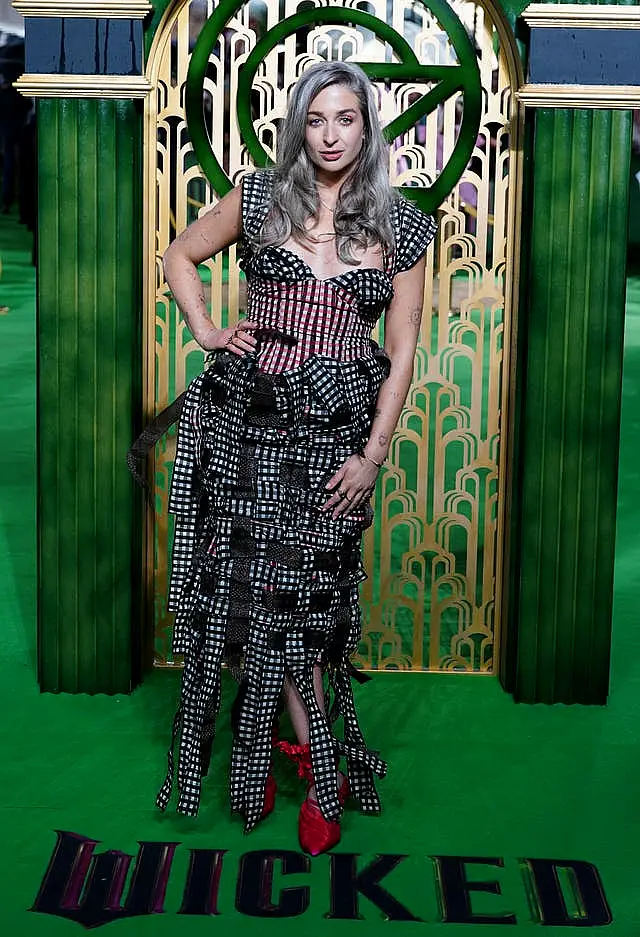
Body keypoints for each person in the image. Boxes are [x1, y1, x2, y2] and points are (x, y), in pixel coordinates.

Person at [155, 60, 437, 855]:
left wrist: (375, 455)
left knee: (308, 604)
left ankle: (307, 749)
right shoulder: (257, 199)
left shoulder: (402, 226)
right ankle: (318, 769)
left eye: (345, 119)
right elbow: (178, 257)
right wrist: (208, 329)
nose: (331, 135)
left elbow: (405, 346)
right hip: (248, 425)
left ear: (367, 126)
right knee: (265, 591)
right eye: (317, 120)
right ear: (299, 127)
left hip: (336, 437)